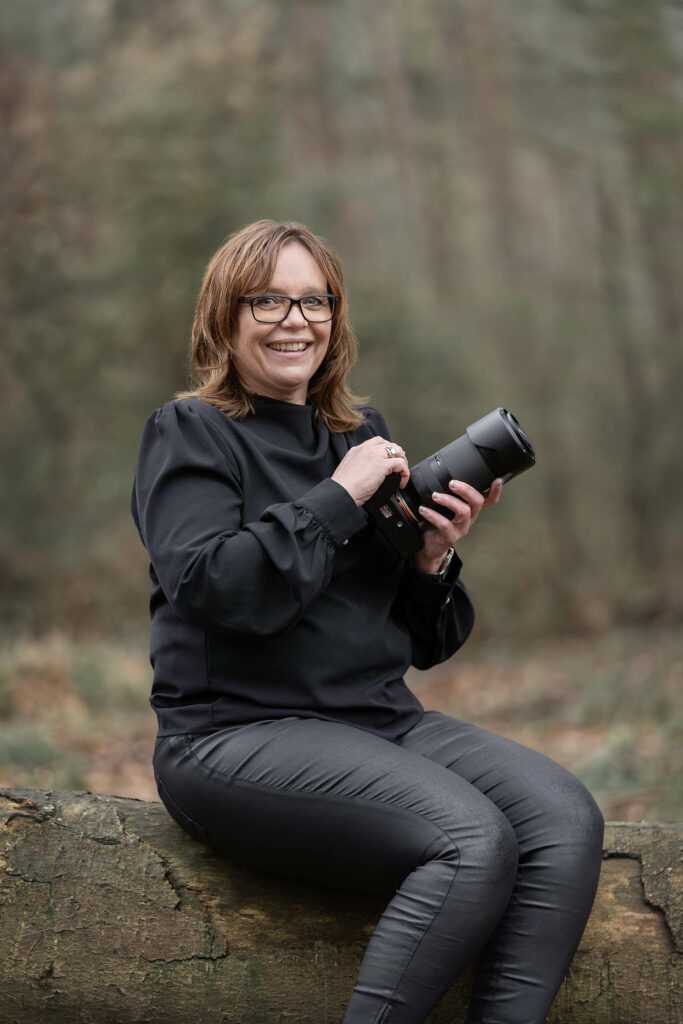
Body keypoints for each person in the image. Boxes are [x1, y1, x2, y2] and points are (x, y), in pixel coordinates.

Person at [131, 219, 604, 1024]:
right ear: (224, 316)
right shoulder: (191, 433)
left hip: (376, 721)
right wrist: (338, 498)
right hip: (233, 734)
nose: (295, 319)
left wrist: (430, 560)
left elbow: (425, 641)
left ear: (335, 318)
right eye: (268, 298)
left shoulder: (359, 437)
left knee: (563, 817)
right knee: (469, 839)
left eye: (314, 300)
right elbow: (215, 587)